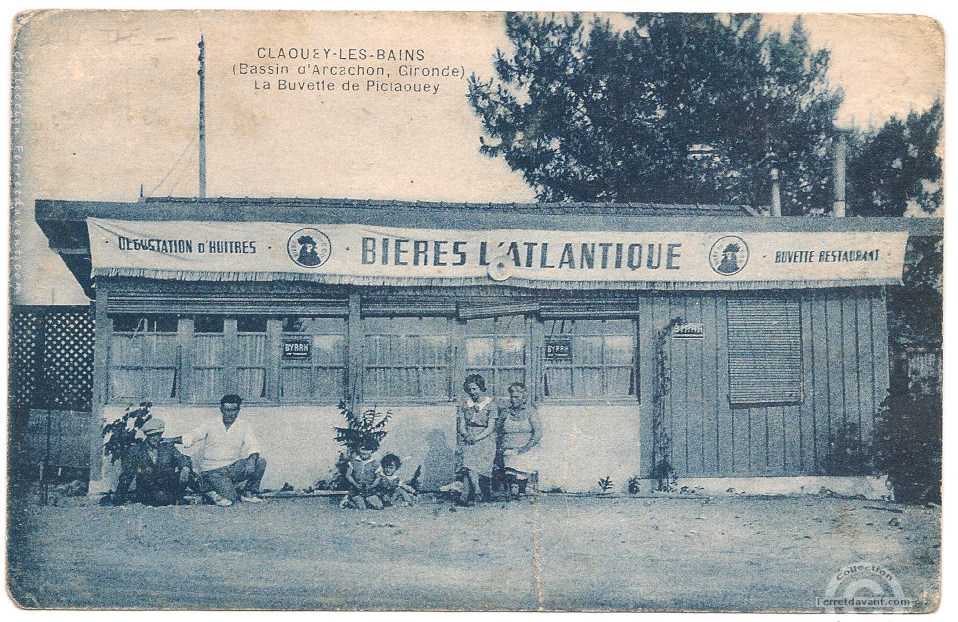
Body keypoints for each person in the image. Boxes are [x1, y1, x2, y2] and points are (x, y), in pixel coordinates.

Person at [173, 394, 267, 507]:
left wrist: (252, 460)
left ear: (238, 410)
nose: (230, 414)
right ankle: (213, 490)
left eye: (234, 410)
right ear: (221, 409)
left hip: (233, 467)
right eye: (227, 410)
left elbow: (253, 445)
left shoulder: (243, 425)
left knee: (260, 462)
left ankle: (249, 492)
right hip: (213, 470)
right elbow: (191, 437)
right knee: (230, 499)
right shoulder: (210, 423)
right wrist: (170, 440)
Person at [113, 417, 200, 506]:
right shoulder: (137, 450)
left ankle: (206, 495)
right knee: (160, 497)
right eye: (152, 435)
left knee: (192, 476)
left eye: (159, 434)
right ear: (146, 435)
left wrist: (185, 467)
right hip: (148, 489)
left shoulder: (167, 447)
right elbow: (127, 475)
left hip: (168, 485)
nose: (156, 438)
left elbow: (182, 458)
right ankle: (177, 499)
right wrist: (118, 498)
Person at [456, 373, 497, 505]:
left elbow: (490, 427)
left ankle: (473, 493)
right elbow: (461, 424)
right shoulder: (465, 404)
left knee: (481, 466)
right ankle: (476, 491)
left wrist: (477, 437)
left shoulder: (490, 404)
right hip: (469, 437)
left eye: (475, 389)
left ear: (481, 388)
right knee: (468, 464)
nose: (472, 392)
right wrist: (466, 434)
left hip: (485, 438)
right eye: (469, 389)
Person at [497, 382, 543, 498]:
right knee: (510, 460)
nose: (513, 400)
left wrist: (525, 448)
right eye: (511, 397)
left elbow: (538, 433)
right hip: (509, 449)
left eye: (516, 397)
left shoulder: (531, 411)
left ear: (524, 398)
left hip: (527, 448)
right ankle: (514, 485)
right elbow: (497, 431)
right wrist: (501, 447)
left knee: (524, 462)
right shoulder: (505, 413)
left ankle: (521, 486)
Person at [342, 438, 384, 510]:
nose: (364, 455)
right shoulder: (354, 462)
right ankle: (348, 501)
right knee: (361, 507)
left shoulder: (375, 463)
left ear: (372, 451)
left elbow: (378, 477)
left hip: (369, 489)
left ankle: (367, 500)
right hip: (356, 489)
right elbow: (348, 475)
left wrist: (372, 485)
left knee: (379, 506)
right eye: (362, 453)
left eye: (367, 453)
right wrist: (355, 484)